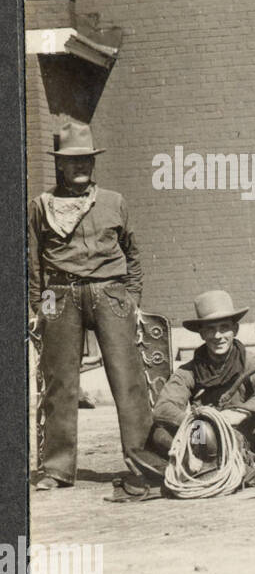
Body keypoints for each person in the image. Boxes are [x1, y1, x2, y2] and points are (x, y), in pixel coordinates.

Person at [27, 120, 153, 491]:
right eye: (72, 160)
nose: (81, 166)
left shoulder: (114, 201)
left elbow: (133, 254)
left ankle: (143, 461)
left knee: (127, 381)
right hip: (59, 295)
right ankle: (57, 469)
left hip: (110, 293)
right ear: (60, 165)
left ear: (93, 163)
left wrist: (131, 298)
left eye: (86, 159)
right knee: (59, 383)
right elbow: (34, 262)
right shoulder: (42, 206)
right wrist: (40, 307)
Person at [129, 290, 255, 489]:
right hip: (206, 436)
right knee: (158, 432)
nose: (218, 336)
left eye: (224, 328)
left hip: (245, 432)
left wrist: (241, 412)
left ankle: (226, 462)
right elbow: (163, 407)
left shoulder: (251, 361)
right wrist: (202, 423)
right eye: (210, 329)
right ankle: (212, 462)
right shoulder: (189, 370)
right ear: (202, 333)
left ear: (235, 330)